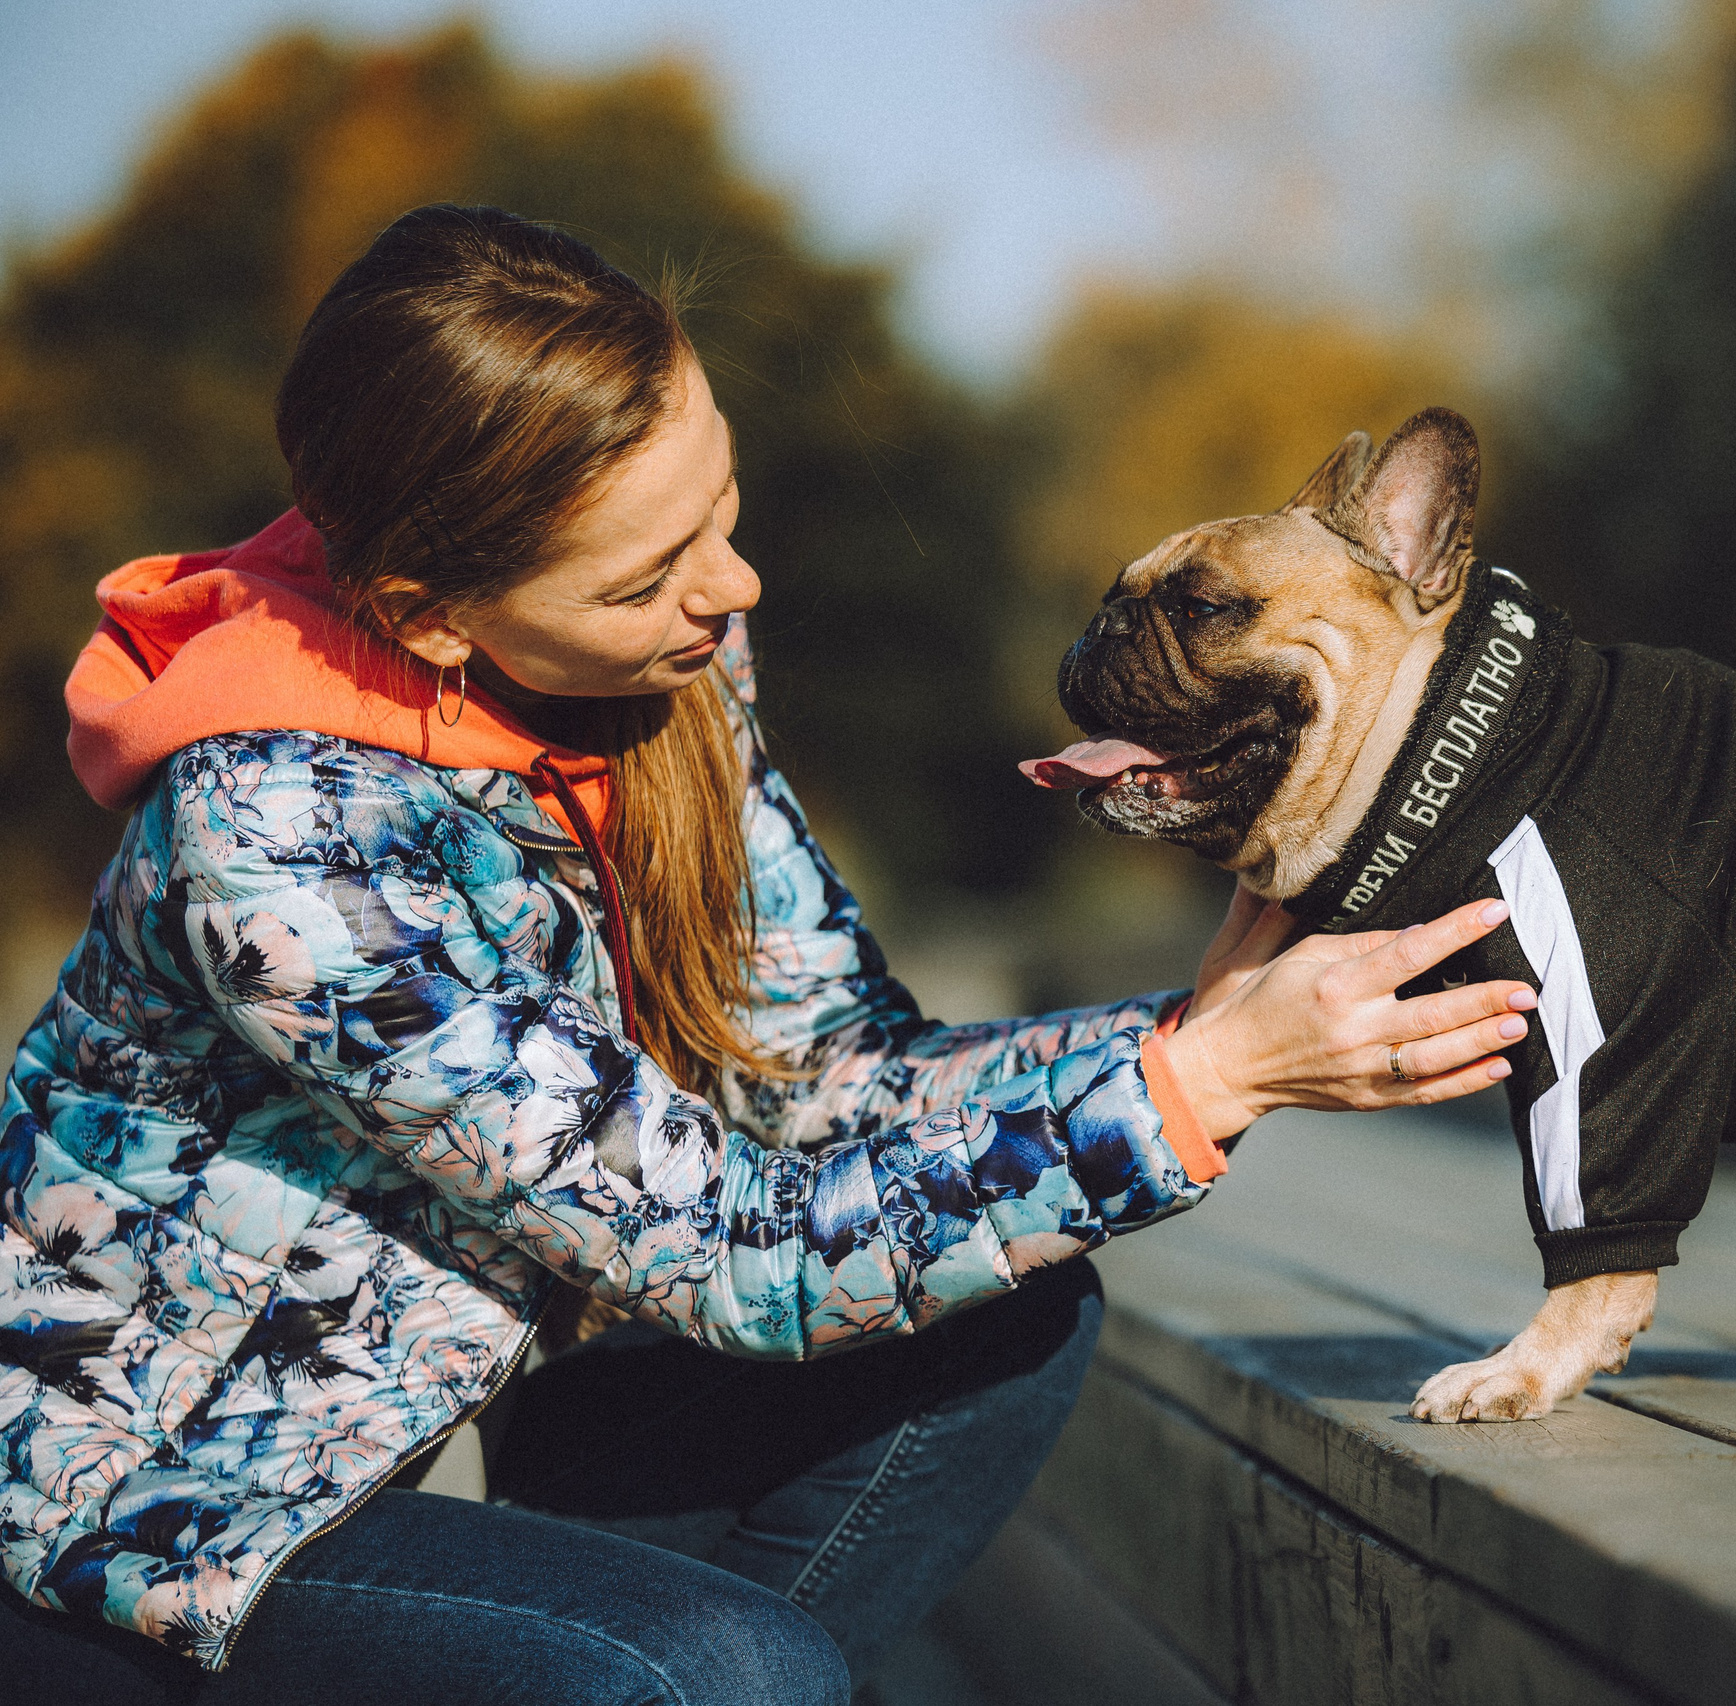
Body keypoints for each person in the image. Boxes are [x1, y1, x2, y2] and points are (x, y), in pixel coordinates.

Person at [0, 204, 1536, 1705]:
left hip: (375, 1451)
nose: (729, 588)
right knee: (730, 1670)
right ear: (438, 617)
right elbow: (733, 1247)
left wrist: (1190, 1038)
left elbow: (824, 1067)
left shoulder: (663, 673)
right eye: (646, 573)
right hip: (124, 1522)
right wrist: (1193, 1085)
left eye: (720, 508)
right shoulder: (280, 846)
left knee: (1005, 1308)